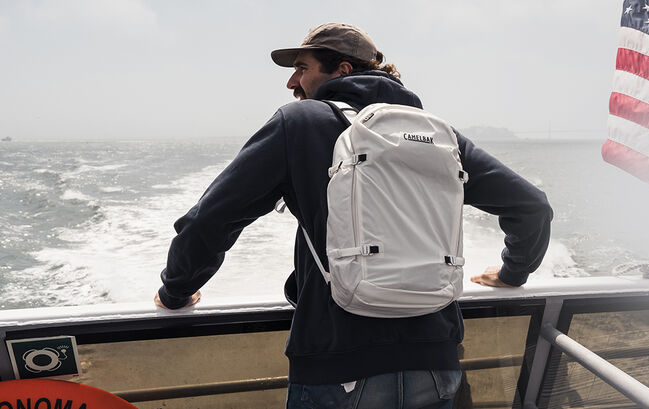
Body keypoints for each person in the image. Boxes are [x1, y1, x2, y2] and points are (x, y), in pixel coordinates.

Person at [154, 22, 552, 409]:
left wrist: (176, 292)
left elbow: (209, 221)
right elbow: (531, 208)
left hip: (336, 367)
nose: (291, 83)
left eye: (302, 68)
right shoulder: (440, 135)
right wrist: (511, 274)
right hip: (436, 362)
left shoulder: (300, 123)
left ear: (342, 69)